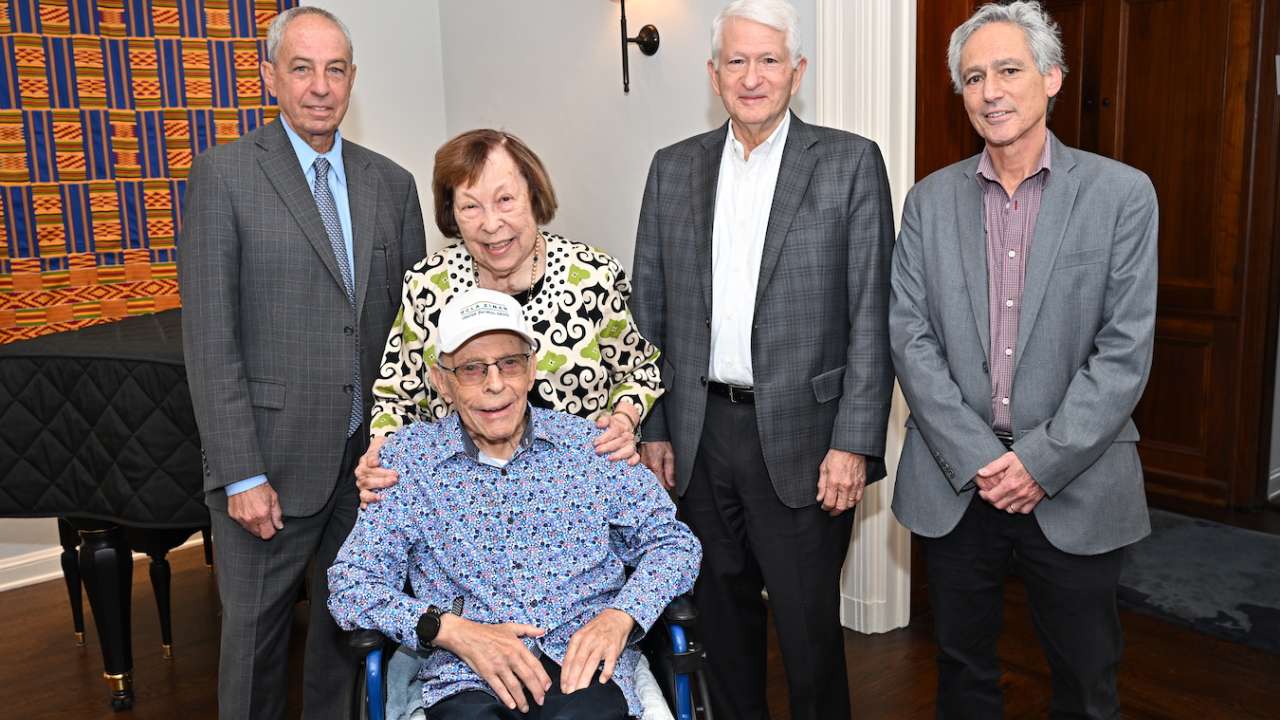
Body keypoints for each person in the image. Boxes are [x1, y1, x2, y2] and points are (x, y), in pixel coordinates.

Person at [888, 2, 1158, 717]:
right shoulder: (926, 202)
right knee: (962, 671)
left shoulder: (1123, 195)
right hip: (958, 485)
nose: (990, 91)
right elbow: (910, 339)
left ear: (1052, 78)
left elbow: (1124, 352)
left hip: (1077, 482)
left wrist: (1038, 463)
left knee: (1086, 680)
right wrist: (981, 457)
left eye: (1008, 70)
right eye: (973, 77)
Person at [629, 0, 895, 717]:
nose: (753, 76)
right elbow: (645, 312)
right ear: (714, 75)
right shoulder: (672, 168)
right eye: (737, 61)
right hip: (699, 435)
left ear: (797, 71)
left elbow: (873, 315)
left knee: (810, 640)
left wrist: (854, 441)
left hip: (807, 441)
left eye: (769, 60)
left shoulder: (849, 164)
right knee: (719, 632)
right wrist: (654, 427)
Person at [177, 7, 427, 718]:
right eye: (302, 67)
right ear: (269, 78)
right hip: (270, 468)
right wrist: (241, 472)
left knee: (349, 640)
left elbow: (409, 334)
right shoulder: (225, 176)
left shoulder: (392, 183)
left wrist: (401, 445)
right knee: (253, 647)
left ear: (352, 79)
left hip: (368, 467)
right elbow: (210, 339)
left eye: (336, 68)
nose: (321, 86)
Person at [328, 288, 700, 720]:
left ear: (532, 368)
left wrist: (621, 616)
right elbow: (352, 583)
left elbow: (675, 544)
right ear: (441, 380)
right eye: (471, 369)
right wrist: (451, 631)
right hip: (467, 676)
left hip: (582, 666)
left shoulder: (592, 448)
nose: (495, 384)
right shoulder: (407, 464)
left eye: (509, 363)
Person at [356, 129, 662, 506]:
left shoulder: (591, 277)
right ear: (451, 212)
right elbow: (396, 397)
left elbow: (638, 370)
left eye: (505, 200)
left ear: (533, 197)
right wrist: (380, 454)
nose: (490, 223)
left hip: (581, 500)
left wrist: (624, 421)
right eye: (470, 206)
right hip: (459, 510)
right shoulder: (427, 286)